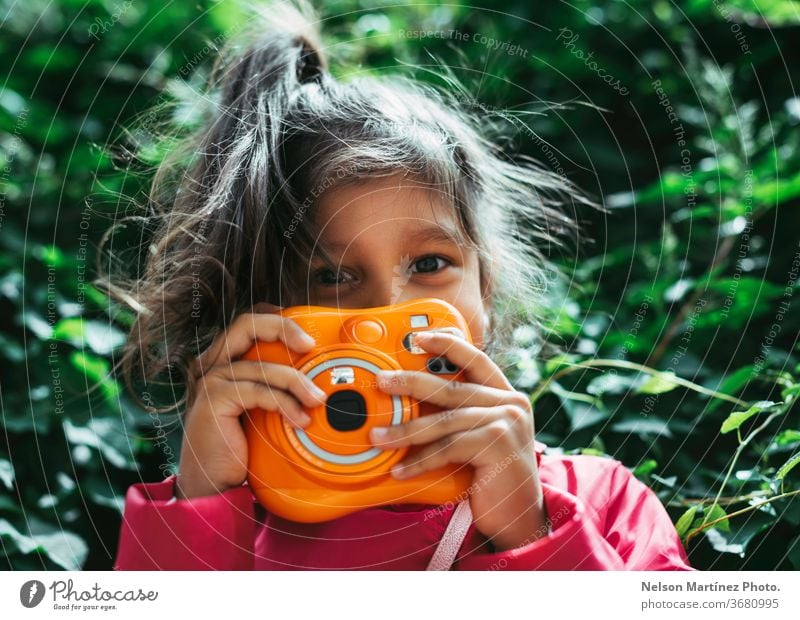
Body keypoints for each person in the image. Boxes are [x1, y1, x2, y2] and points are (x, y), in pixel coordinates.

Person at [107, 0, 693, 571]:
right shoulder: (217, 514)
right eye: (333, 276)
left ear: (484, 290)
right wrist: (203, 506)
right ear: (258, 312)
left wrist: (529, 531)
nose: (390, 308)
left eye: (430, 264)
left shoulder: (604, 505)